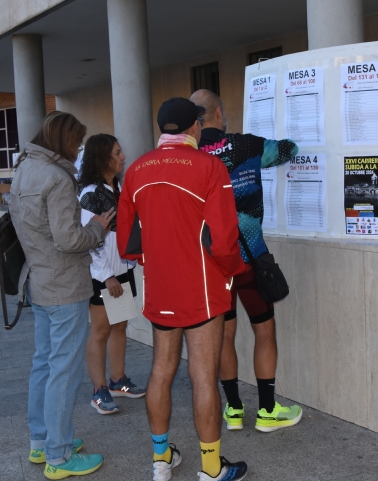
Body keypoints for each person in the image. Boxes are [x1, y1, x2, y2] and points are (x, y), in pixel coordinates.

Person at [117, 97, 248, 481]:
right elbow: (224, 241)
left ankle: (161, 461)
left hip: (160, 286)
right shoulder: (210, 166)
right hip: (202, 287)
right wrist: (236, 270)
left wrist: (154, 262)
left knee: (161, 370)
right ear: (194, 127)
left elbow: (128, 240)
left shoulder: (137, 170)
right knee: (203, 376)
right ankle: (210, 468)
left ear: (162, 129)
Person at [10, 111, 114, 480]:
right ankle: (59, 455)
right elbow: (69, 239)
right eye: (77, 142)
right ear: (64, 140)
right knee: (63, 371)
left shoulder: (23, 170)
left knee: (44, 364)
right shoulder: (56, 177)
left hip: (38, 280)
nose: (79, 149)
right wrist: (99, 229)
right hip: (65, 285)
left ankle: (42, 442)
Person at [191, 89, 302, 433]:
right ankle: (268, 411)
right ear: (220, 115)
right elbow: (288, 150)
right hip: (251, 256)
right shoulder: (248, 146)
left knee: (224, 336)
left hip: (214, 264)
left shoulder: (191, 159)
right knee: (264, 330)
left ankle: (234, 410)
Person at [78, 134, 146, 415]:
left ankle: (118, 381)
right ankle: (98, 390)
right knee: (101, 330)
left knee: (120, 325)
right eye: (118, 153)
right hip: (103, 275)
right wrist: (106, 276)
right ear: (102, 157)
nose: (123, 157)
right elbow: (87, 239)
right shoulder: (90, 193)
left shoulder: (117, 186)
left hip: (122, 270)